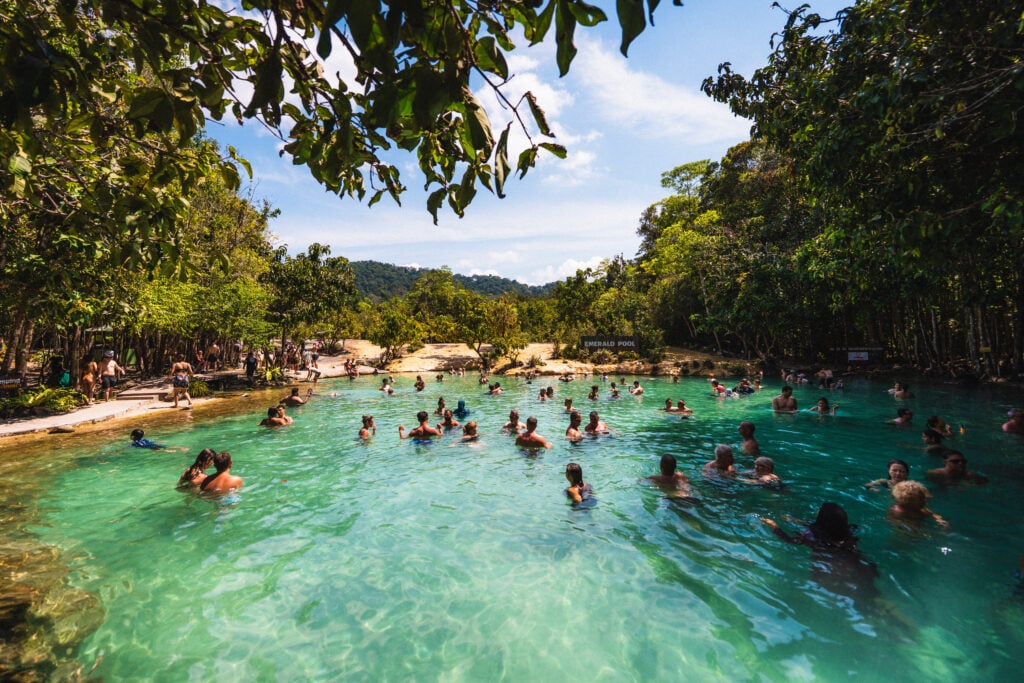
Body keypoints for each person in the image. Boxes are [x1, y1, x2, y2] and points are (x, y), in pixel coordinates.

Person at [762, 502, 860, 551]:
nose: (818, 510)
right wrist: (794, 520)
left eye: (820, 510)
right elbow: (818, 525)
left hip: (826, 561)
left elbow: (791, 541)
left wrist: (774, 526)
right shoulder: (848, 531)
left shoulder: (810, 535)